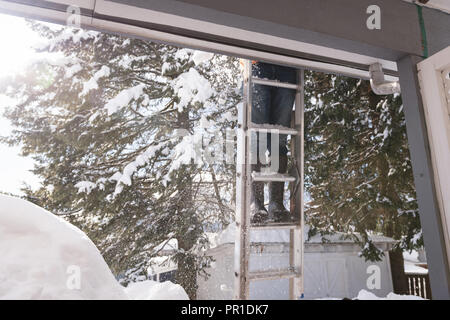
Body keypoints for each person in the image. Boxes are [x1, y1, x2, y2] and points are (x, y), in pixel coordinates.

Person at [249, 61, 298, 224]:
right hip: (257, 65)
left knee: (278, 138)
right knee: (258, 138)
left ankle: (276, 204)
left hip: (288, 66)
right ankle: (256, 203)